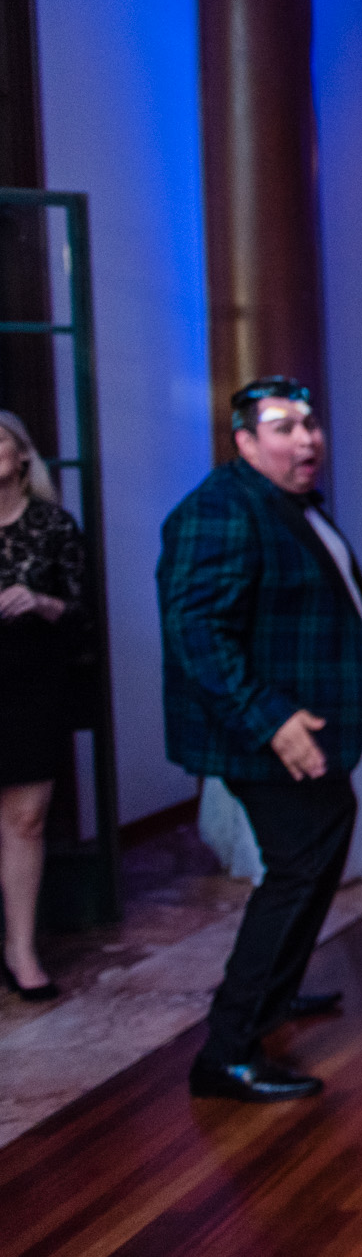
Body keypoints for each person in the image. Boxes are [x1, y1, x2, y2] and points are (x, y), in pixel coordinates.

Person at [158, 378, 362, 1102]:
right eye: (284, 427)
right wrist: (270, 716)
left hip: (305, 725)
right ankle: (225, 1052)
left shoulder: (286, 503)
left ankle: (275, 994)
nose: (307, 438)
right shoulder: (221, 508)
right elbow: (196, 632)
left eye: (310, 423)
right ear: (245, 441)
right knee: (296, 870)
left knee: (317, 852)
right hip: (268, 730)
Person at [0, 411, 86, 1001]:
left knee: (25, 821)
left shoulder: (53, 524)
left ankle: (22, 949)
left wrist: (38, 601)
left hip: (29, 682)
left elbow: (78, 610)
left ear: (22, 455)